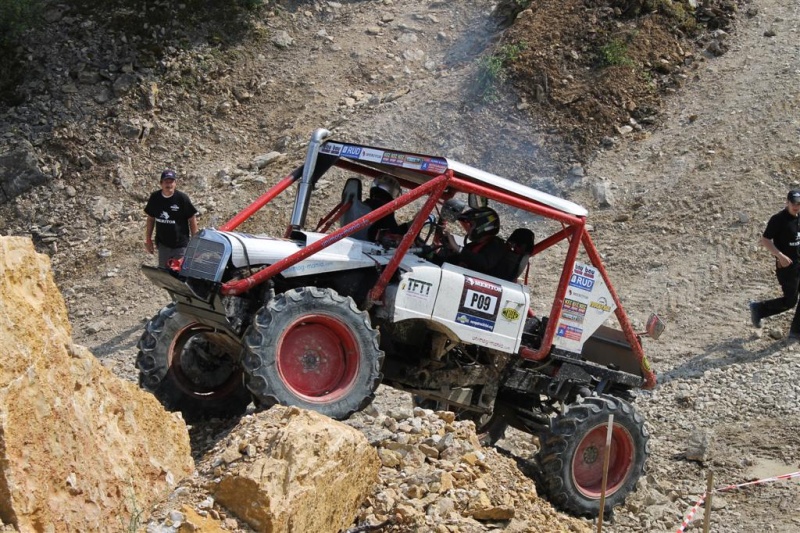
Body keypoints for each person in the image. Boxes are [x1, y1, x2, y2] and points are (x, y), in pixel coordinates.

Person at [749, 190, 800, 339]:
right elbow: (765, 240)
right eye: (793, 203)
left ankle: (796, 331)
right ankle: (759, 309)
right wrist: (779, 255)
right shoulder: (778, 220)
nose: (796, 206)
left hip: (799, 263)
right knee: (790, 301)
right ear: (787, 202)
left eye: (799, 204)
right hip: (786, 268)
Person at [144, 169, 198, 268]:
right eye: (166, 182)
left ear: (175, 183)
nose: (169, 185)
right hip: (163, 245)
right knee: (164, 275)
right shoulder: (155, 198)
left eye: (171, 182)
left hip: (181, 245)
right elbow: (151, 219)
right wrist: (148, 240)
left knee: (180, 274)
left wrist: (196, 241)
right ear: (161, 183)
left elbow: (192, 218)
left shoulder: (182, 198)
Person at [440, 206, 507, 277]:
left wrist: (458, 248)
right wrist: (451, 249)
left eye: (471, 225)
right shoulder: (474, 245)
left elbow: (484, 263)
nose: (468, 229)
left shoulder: (497, 246)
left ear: (482, 227)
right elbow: (460, 260)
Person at [364, 175, 409, 242]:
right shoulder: (385, 210)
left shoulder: (365, 203)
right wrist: (409, 226)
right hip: (370, 244)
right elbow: (395, 232)